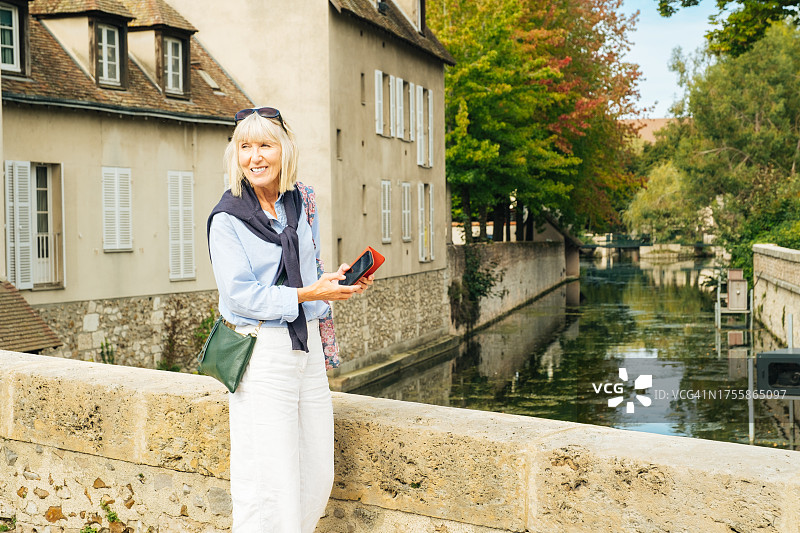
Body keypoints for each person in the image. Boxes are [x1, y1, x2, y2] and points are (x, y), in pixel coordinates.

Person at [207, 107, 372, 532]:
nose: (255, 156)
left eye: (265, 145)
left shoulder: (298, 202)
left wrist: (333, 286)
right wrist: (310, 292)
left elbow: (305, 273)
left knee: (316, 472)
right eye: (245, 146)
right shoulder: (227, 219)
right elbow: (241, 296)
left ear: (285, 151)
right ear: (235, 155)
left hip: (306, 345)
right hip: (263, 350)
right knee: (268, 479)